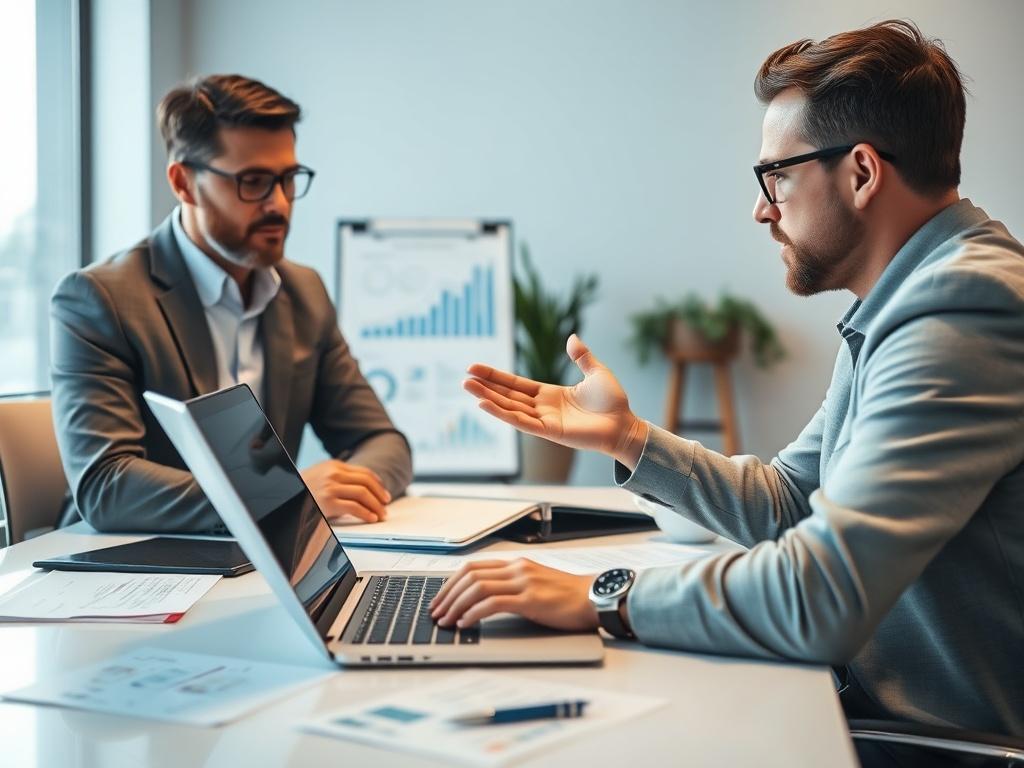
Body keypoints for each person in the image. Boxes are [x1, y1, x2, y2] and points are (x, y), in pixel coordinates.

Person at [432, 19, 1024, 748]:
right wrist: (627, 437)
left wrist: (602, 596)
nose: (762, 208)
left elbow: (822, 594)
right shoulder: (905, 299)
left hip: (931, 745)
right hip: (867, 706)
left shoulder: (962, 311)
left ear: (862, 173)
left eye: (778, 174)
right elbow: (789, 503)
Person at [51, 74, 412, 533]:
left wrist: (352, 488)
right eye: (254, 182)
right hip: (129, 567)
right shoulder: (100, 300)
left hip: (263, 557)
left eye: (288, 179)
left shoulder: (303, 293)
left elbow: (381, 440)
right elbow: (106, 484)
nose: (279, 204)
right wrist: (281, 494)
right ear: (184, 183)